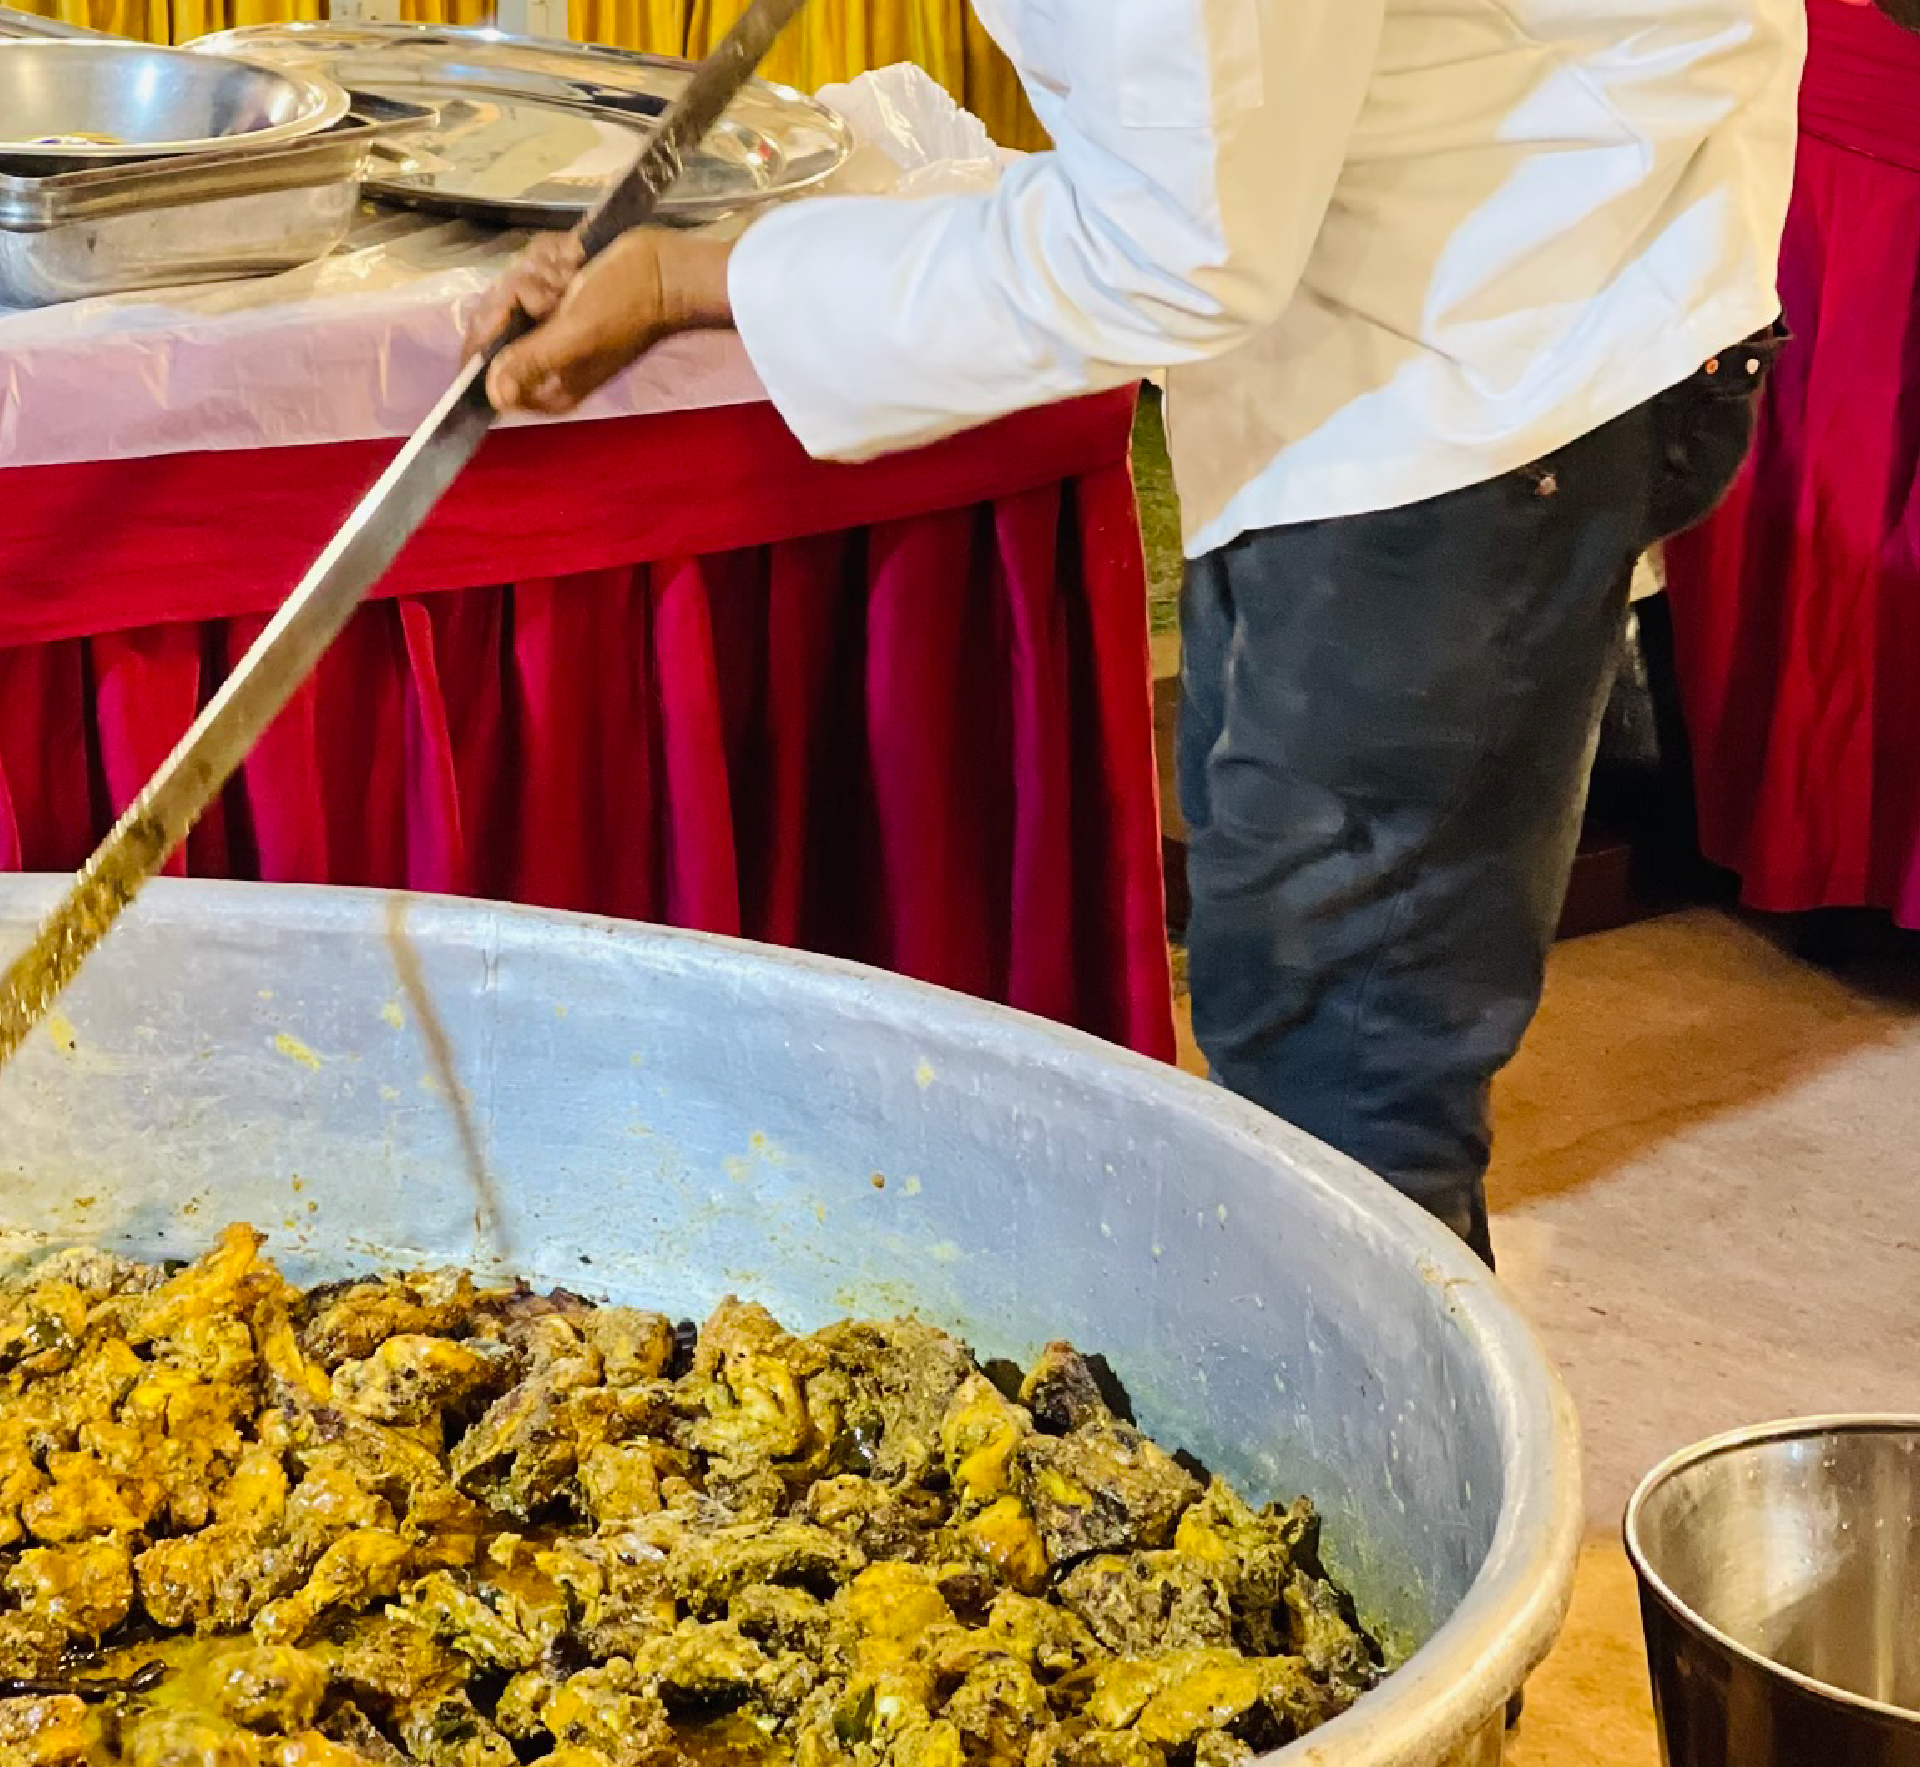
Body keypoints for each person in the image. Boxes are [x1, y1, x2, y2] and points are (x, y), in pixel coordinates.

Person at [468, 0, 1807, 1264]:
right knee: (1284, 985)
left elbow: (1174, 249)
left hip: (1491, 361)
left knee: (1339, 1081)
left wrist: (696, 281)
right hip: (1427, 285)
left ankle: (1385, 1433)